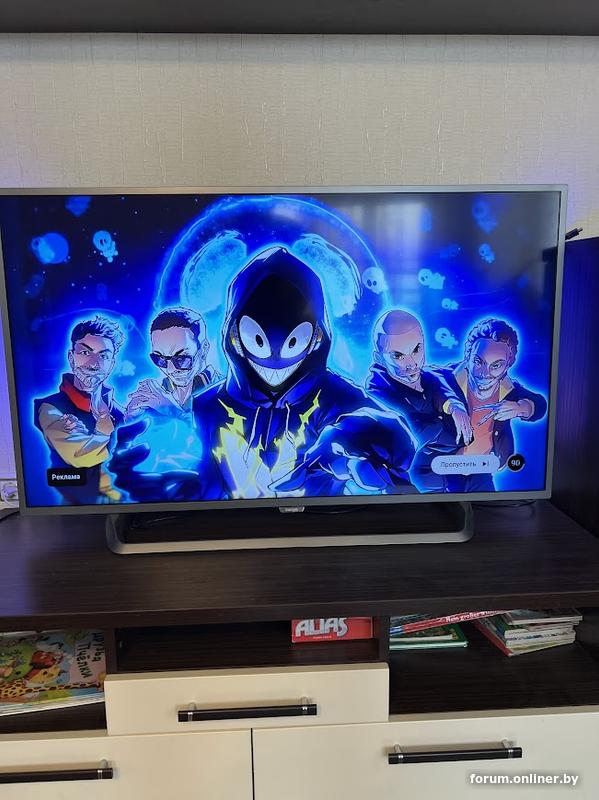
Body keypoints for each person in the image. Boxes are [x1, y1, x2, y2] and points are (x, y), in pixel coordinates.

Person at [109, 247, 417, 502]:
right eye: (258, 340)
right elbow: (209, 489)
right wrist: (166, 496)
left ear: (316, 337)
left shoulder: (337, 398)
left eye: (291, 342)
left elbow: (402, 445)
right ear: (234, 336)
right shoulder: (208, 407)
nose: (274, 364)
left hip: (324, 534)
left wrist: (365, 434)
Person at [366, 309, 473, 492]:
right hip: (415, 479)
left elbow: (439, 383)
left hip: (459, 472)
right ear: (378, 358)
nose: (412, 363)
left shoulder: (431, 376)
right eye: (398, 356)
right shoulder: (377, 390)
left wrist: (453, 406)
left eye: (416, 350)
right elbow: (413, 431)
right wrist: (440, 424)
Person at [438, 318, 547, 492]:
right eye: (478, 361)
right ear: (468, 356)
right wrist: (451, 406)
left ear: (508, 363)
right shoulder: (445, 378)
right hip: (444, 469)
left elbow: (540, 405)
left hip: (482, 470)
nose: (484, 374)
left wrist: (520, 408)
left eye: (496, 365)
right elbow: (420, 382)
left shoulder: (509, 389)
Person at [34, 316, 125, 504]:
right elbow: (79, 455)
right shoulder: (51, 407)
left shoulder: (119, 412)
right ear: (71, 357)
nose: (93, 363)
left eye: (103, 356)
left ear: (112, 364)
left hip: (126, 502)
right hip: (76, 507)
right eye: (85, 352)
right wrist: (103, 431)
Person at [126, 307, 219, 421]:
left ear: (203, 350)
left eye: (181, 359)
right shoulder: (158, 395)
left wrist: (171, 409)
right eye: (160, 359)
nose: (170, 370)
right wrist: (131, 419)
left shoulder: (226, 392)